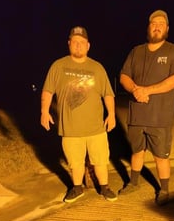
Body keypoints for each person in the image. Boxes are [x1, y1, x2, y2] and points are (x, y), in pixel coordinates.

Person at [41, 26, 117, 203]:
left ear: (88, 46)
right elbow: (47, 91)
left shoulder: (97, 68)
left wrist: (111, 114)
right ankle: (77, 188)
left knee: (100, 161)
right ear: (69, 44)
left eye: (82, 42)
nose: (78, 45)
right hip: (70, 128)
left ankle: (104, 188)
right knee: (75, 163)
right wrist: (44, 111)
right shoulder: (58, 66)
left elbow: (108, 93)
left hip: (96, 128)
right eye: (75, 42)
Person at [119, 10, 174, 205]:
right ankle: (133, 183)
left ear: (167, 28)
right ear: (148, 27)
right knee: (136, 152)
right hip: (137, 115)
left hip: (160, 117)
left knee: (161, 156)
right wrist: (135, 89)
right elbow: (124, 75)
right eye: (153, 23)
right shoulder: (136, 51)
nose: (157, 26)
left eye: (161, 23)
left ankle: (164, 190)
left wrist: (147, 90)